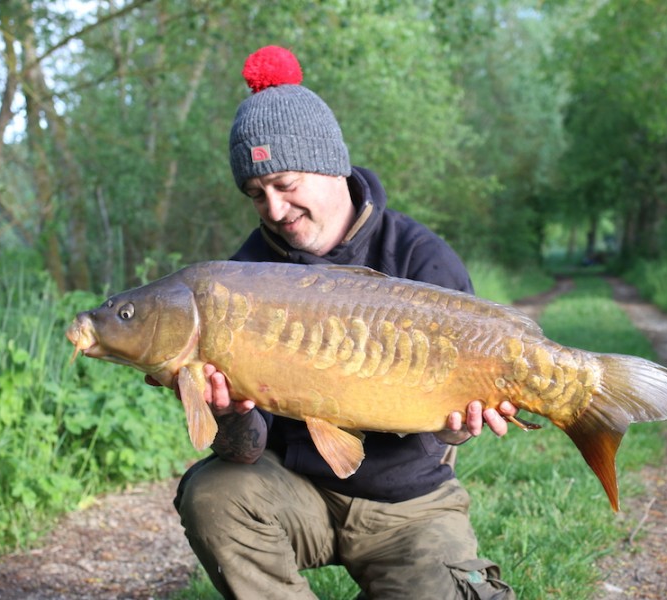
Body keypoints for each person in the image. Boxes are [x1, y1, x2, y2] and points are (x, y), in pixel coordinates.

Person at [169, 45, 518, 599]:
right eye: (257, 195)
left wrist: (458, 426)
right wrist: (228, 413)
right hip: (296, 489)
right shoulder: (239, 278)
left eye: (285, 184)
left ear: (330, 165)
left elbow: (454, 426)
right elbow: (243, 452)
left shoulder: (420, 259)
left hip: (410, 504)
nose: (276, 210)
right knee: (213, 492)